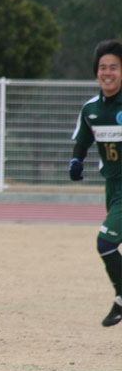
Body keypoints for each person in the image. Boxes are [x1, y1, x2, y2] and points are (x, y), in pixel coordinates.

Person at [69, 39, 122, 327]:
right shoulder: (91, 109)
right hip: (112, 187)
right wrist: (76, 161)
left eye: (114, 67)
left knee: (106, 242)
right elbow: (83, 140)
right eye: (103, 67)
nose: (107, 72)